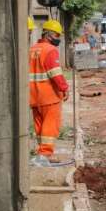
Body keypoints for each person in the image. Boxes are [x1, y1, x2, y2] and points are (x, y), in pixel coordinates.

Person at [29, 19, 69, 160]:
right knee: (50, 125)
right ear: (49, 34)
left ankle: (41, 152)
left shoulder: (32, 49)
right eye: (57, 35)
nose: (58, 39)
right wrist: (64, 88)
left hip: (33, 96)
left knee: (39, 126)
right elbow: (55, 73)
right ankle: (45, 154)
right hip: (49, 95)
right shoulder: (50, 50)